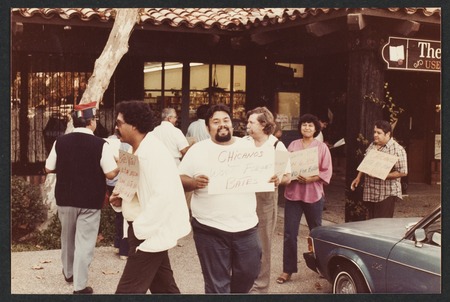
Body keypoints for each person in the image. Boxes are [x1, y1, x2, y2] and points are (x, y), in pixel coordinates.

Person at [178, 104, 262, 293]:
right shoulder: (197, 150)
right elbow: (180, 178)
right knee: (217, 283)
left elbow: (264, 171)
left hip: (246, 227)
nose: (222, 125)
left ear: (232, 125)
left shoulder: (247, 146)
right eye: (216, 122)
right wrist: (193, 182)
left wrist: (271, 177)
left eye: (226, 121)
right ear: (208, 128)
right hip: (209, 228)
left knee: (249, 273)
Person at [110, 101, 191, 294]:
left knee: (127, 292)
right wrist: (120, 198)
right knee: (164, 289)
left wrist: (140, 232)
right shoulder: (132, 151)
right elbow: (131, 188)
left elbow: (163, 196)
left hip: (148, 232)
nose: (116, 126)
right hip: (141, 229)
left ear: (134, 125)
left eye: (120, 123)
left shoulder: (154, 153)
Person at [45, 101, 119, 294]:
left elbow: (48, 167)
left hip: (65, 198)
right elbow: (111, 174)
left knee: (67, 237)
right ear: (91, 121)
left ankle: (69, 273)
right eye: (95, 119)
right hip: (90, 200)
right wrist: (119, 164)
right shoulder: (101, 144)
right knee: (85, 242)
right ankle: (80, 286)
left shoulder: (60, 142)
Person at [276, 113, 332, 285]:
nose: (307, 127)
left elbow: (326, 170)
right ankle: (288, 270)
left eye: (310, 125)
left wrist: (311, 178)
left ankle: (322, 267)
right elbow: (283, 165)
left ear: (316, 129)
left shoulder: (321, 147)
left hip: (313, 195)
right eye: (304, 125)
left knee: (316, 232)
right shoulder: (292, 145)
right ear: (300, 127)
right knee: (289, 234)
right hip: (294, 195)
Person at [244, 106, 291, 293]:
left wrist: (278, 178)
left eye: (251, 122)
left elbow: (288, 176)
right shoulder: (243, 143)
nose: (247, 125)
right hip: (243, 196)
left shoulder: (276, 145)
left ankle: (260, 287)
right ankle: (244, 282)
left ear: (263, 124)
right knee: (242, 241)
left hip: (265, 199)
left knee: (263, 243)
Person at [351, 120, 408, 219]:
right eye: (374, 132)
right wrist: (358, 177)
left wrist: (382, 174)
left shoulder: (397, 149)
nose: (375, 135)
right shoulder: (373, 145)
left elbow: (403, 172)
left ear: (388, 134)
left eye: (379, 133)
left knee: (382, 225)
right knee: (371, 224)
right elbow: (366, 163)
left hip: (386, 194)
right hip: (371, 192)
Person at [106, 133, 130, 260]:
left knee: (118, 214)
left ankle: (117, 244)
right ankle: (124, 250)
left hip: (111, 181)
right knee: (126, 216)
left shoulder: (109, 141)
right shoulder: (130, 144)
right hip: (124, 182)